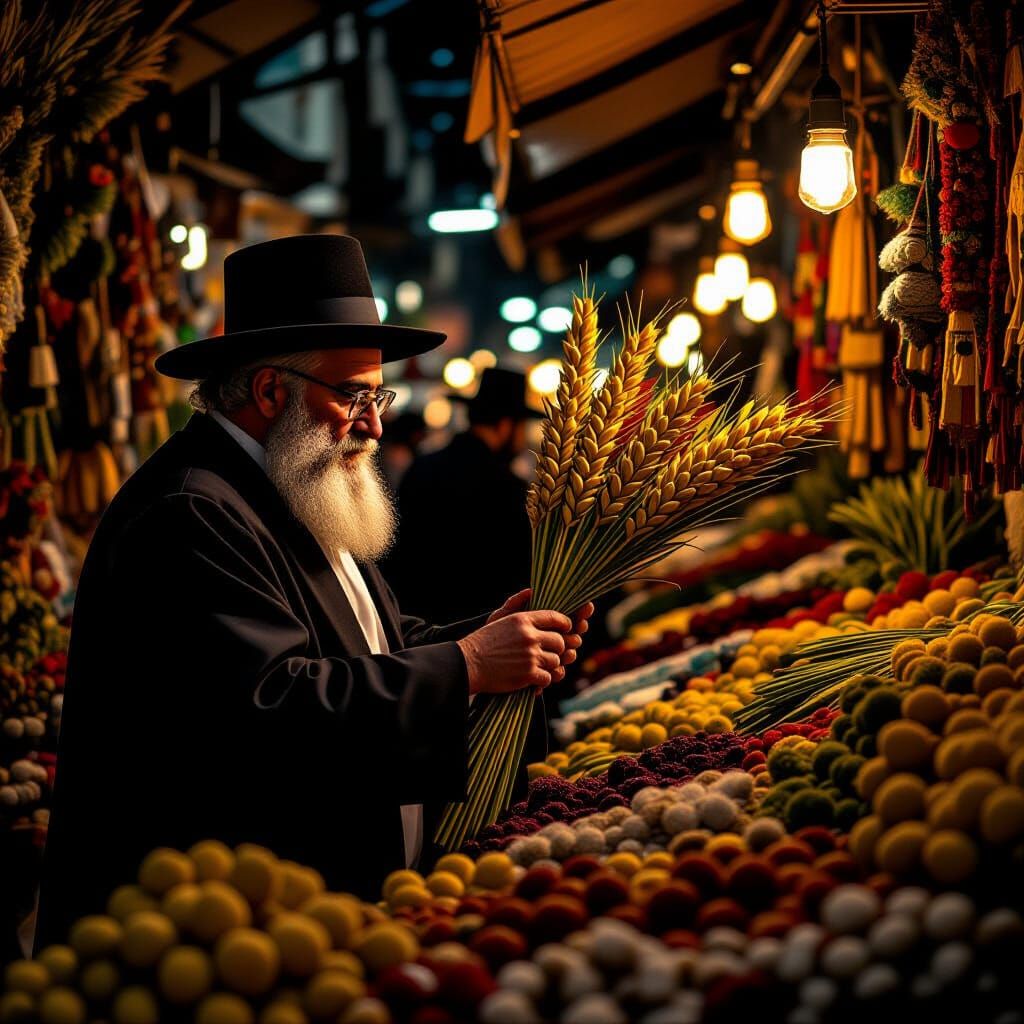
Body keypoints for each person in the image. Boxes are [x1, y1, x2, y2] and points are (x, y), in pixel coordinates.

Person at [36, 234, 592, 947]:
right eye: (356, 395)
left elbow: (364, 642)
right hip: (220, 939)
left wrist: (486, 635)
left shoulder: (282, 482)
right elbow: (270, 704)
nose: (377, 422)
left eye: (378, 394)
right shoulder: (191, 510)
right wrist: (468, 666)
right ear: (271, 390)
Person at [386, 366, 541, 624]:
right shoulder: (508, 486)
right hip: (481, 629)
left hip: (414, 625)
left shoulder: (422, 466)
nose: (523, 439)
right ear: (506, 425)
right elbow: (519, 573)